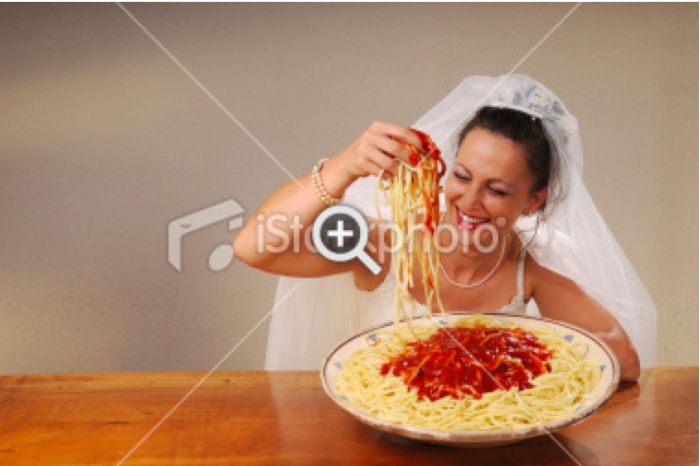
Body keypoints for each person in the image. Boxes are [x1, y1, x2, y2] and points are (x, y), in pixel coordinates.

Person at [233, 74, 656, 381]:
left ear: (534, 200)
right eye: (462, 176)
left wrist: (517, 358)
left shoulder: (532, 277)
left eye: (497, 189)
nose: (469, 203)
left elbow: (625, 363)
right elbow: (254, 247)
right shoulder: (385, 246)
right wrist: (343, 167)